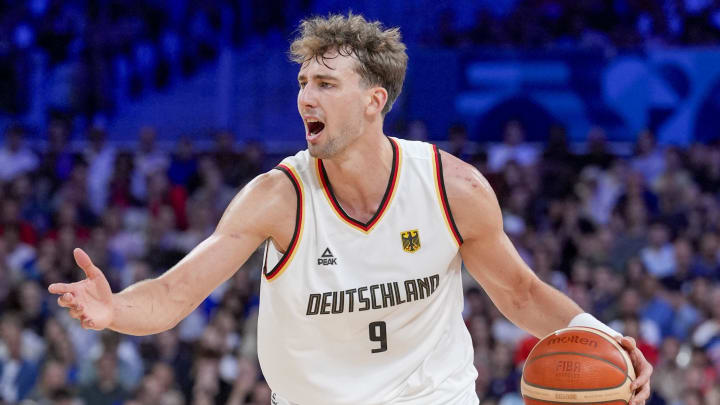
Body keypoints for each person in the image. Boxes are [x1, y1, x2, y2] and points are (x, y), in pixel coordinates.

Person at [48, 13, 653, 405]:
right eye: (304, 83)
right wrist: (114, 310)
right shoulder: (276, 197)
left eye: (326, 84)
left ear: (374, 100)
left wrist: (604, 338)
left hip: (433, 396)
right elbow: (175, 295)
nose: (306, 97)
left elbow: (521, 293)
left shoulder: (452, 188)